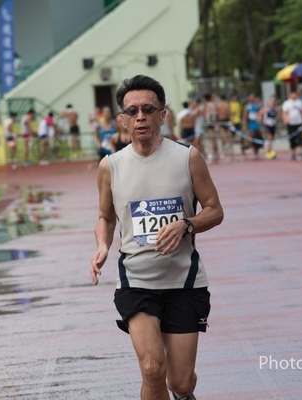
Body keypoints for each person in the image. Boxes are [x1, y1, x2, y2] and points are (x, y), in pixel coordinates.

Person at [90, 75, 224, 400]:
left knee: (180, 383)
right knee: (152, 367)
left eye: (148, 109)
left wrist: (186, 225)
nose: (140, 117)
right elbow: (105, 217)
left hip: (184, 282)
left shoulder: (187, 158)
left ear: (162, 114)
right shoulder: (110, 166)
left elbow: (215, 210)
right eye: (132, 111)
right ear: (122, 118)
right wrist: (103, 245)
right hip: (136, 281)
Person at [281, 89, 302, 160]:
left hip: (299, 123)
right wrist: (285, 120)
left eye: (295, 94)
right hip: (291, 123)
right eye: (292, 94)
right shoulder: (287, 103)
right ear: (290, 95)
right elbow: (284, 113)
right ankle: (293, 152)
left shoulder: (299, 102)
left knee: (300, 137)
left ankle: (300, 152)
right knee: (292, 138)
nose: (294, 95)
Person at [260, 95, 279, 160]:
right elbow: (261, 113)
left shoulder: (276, 108)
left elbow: (278, 115)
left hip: (273, 125)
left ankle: (271, 151)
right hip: (267, 125)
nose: (273, 102)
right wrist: (260, 119)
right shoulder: (266, 107)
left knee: (272, 139)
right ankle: (268, 152)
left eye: (275, 101)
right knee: (269, 138)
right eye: (272, 100)